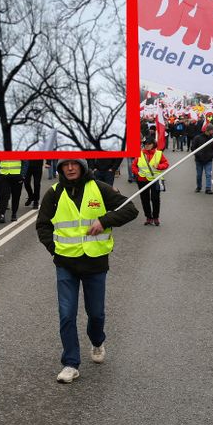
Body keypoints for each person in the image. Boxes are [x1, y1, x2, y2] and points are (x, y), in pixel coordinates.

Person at [35, 159, 138, 384]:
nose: (70, 168)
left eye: (75, 164)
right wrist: (55, 250)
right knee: (66, 314)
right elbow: (42, 225)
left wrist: (104, 220)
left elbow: (131, 210)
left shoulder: (99, 188)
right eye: (65, 165)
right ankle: (70, 363)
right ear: (60, 168)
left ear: (82, 166)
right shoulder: (53, 193)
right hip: (65, 264)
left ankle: (97, 341)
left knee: (96, 313)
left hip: (95, 263)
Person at [131, 136, 169, 226]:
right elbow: (133, 166)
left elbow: (166, 163)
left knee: (155, 199)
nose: (147, 146)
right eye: (145, 144)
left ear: (153, 144)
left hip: (155, 179)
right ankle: (148, 217)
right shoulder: (139, 153)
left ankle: (156, 217)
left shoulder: (159, 153)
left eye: (149, 144)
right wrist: (138, 173)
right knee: (145, 199)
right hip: (142, 180)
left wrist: (159, 166)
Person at [190, 123, 213, 193]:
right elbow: (193, 148)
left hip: (208, 160)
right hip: (199, 160)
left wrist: (212, 155)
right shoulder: (198, 138)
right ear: (208, 130)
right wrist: (198, 155)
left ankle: (208, 188)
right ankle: (199, 187)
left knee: (208, 174)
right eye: (212, 130)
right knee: (199, 175)